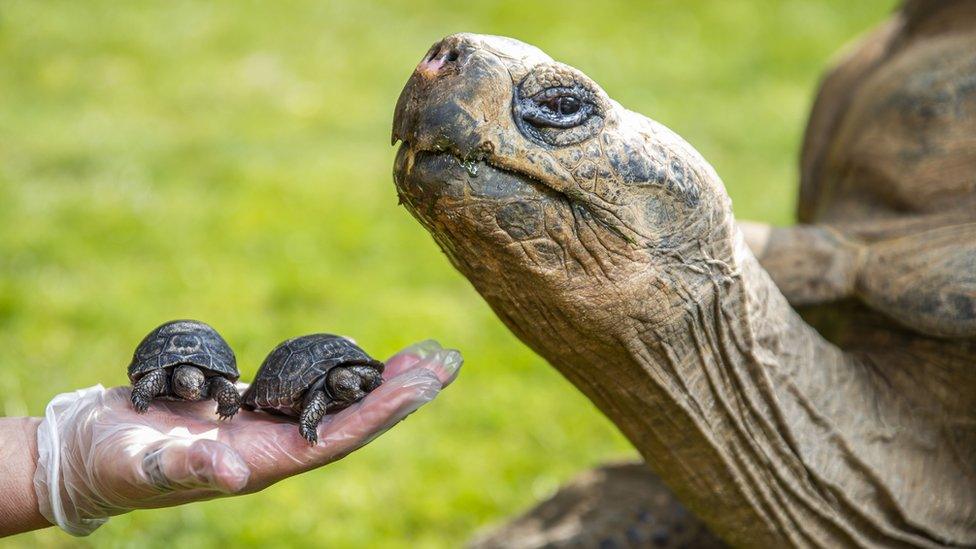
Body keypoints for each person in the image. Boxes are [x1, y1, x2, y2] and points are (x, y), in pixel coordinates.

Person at [0, 340, 461, 537]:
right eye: (186, 387)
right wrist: (64, 460)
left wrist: (42, 452)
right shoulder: (170, 379)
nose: (192, 392)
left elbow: (348, 381)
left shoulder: (352, 377)